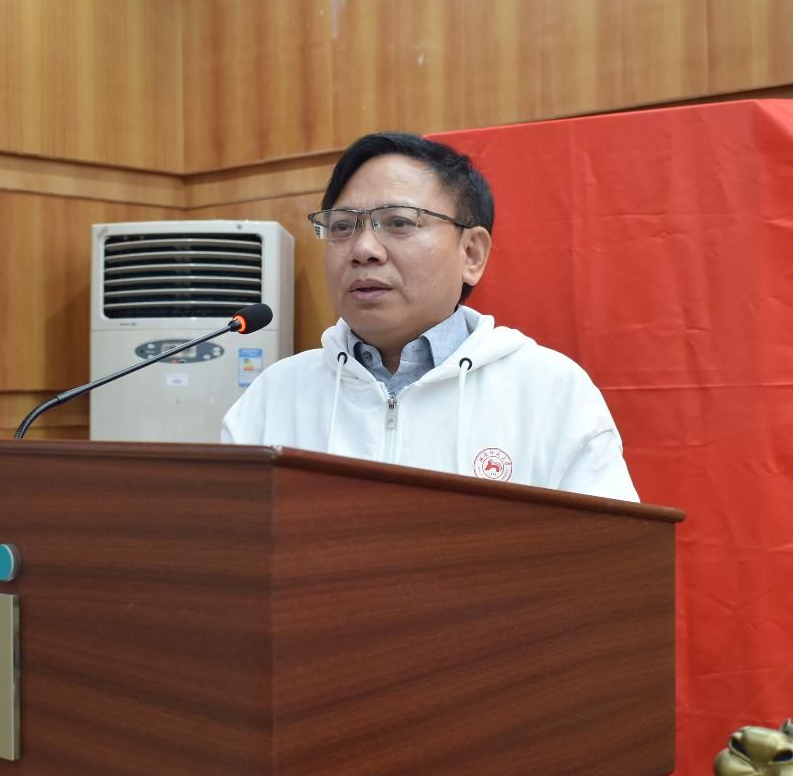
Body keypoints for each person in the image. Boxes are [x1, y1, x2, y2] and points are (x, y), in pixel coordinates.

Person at [221, 131, 638, 502]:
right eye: (343, 227)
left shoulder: (550, 392)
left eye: (398, 222)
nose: (363, 249)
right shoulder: (275, 395)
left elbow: (610, 556)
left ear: (471, 254)